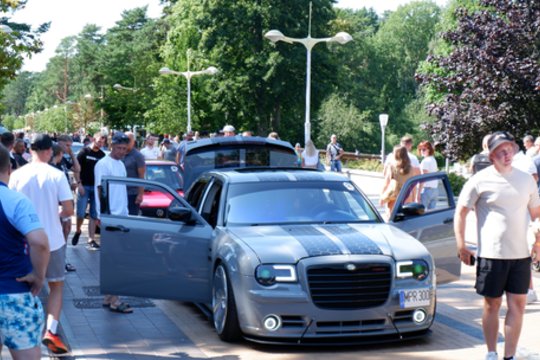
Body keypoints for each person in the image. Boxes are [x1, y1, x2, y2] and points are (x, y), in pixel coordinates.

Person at [454, 131, 540, 360]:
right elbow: (460, 212)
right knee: (492, 305)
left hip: (520, 255)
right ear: (491, 155)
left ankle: (509, 356)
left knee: (518, 305)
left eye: (509, 148)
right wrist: (462, 245)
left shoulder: (526, 180)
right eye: (501, 150)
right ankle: (491, 352)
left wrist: (538, 243)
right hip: (491, 255)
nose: (507, 154)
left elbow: (536, 215)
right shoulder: (479, 181)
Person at [9, 134, 74, 355]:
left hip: (25, 241)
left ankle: (28, 331)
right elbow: (68, 210)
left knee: (27, 287)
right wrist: (56, 213)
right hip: (53, 241)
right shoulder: (56, 175)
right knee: (56, 287)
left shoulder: (17, 175)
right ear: (48, 151)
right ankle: (51, 331)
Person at [0, 144, 50, 360]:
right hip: (14, 293)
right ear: (9, 168)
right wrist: (38, 276)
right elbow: (39, 242)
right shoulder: (15, 201)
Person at [94, 132, 133, 314]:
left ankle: (109, 296)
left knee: (114, 259)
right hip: (111, 218)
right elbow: (100, 190)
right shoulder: (103, 164)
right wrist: (104, 216)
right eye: (119, 148)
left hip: (121, 215)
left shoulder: (120, 164)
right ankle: (115, 300)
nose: (122, 152)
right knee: (117, 260)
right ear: (112, 146)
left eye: (125, 149)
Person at [73, 132, 106, 250]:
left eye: (103, 142)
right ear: (93, 139)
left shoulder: (102, 155)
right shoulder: (84, 152)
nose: (100, 143)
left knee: (93, 214)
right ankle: (77, 230)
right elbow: (76, 169)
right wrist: (78, 184)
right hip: (84, 186)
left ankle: (91, 239)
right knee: (81, 213)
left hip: (96, 188)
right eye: (99, 141)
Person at [380, 146, 420, 219]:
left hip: (394, 197)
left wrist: (382, 197)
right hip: (407, 196)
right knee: (405, 219)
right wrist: (414, 198)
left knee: (391, 219)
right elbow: (412, 185)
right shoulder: (411, 168)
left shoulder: (392, 166)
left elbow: (386, 183)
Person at [123, 131, 145, 216]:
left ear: (133, 141)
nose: (127, 142)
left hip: (132, 194)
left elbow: (141, 176)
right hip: (120, 192)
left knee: (131, 218)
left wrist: (140, 194)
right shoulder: (120, 153)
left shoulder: (138, 156)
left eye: (129, 140)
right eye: (125, 139)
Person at [417, 141, 438, 210]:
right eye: (420, 149)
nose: (421, 151)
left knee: (420, 213)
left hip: (426, 190)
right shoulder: (433, 159)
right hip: (435, 189)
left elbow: (423, 178)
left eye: (424, 149)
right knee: (431, 215)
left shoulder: (425, 161)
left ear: (429, 149)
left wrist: (418, 193)